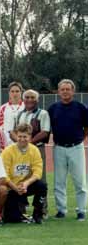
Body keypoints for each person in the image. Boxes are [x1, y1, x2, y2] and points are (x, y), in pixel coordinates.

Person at [48, 79, 88, 221]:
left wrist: (80, 138)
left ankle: (81, 210)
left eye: (68, 89)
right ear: (58, 91)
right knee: (59, 181)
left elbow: (86, 127)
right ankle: (61, 210)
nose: (65, 91)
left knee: (80, 181)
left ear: (73, 91)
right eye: (62, 89)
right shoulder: (53, 108)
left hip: (76, 147)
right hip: (59, 147)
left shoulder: (81, 107)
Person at [12, 89, 50, 215]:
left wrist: (29, 143)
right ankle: (20, 207)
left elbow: (45, 131)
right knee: (20, 175)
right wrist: (19, 142)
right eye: (27, 97)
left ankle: (41, 209)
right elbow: (14, 131)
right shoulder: (19, 114)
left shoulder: (42, 113)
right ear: (23, 99)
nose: (29, 99)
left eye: (32, 97)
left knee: (39, 178)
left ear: (37, 100)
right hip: (20, 150)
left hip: (37, 149)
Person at [1, 124, 47, 224]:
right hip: (11, 187)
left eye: (25, 136)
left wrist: (26, 183)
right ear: (16, 136)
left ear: (30, 137)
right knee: (12, 219)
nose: (22, 139)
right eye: (20, 136)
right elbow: (4, 175)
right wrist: (15, 188)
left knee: (42, 185)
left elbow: (38, 172)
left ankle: (38, 214)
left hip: (26, 185)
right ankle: (18, 213)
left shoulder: (34, 150)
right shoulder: (8, 151)